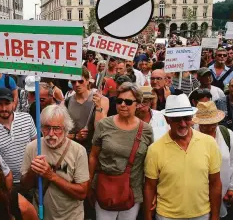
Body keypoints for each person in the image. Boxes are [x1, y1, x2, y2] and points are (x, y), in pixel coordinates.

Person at [144, 94, 222, 220]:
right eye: (176, 119)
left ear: (192, 117)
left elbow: (215, 183)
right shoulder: (155, 149)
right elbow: (149, 186)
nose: (183, 123)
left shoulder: (209, 143)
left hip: (202, 214)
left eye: (186, 118)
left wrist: (215, 216)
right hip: (167, 216)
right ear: (167, 119)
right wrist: (147, 217)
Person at [89, 82, 153, 220]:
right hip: (105, 189)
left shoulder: (146, 130)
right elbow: (93, 156)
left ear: (138, 104)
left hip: (132, 193)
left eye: (128, 102)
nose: (123, 105)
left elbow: (149, 163)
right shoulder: (104, 125)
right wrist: (88, 184)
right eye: (119, 101)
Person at [20, 105, 89, 220]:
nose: (51, 133)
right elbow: (25, 187)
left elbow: (82, 193)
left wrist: (50, 175)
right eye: (47, 127)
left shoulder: (78, 151)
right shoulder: (33, 147)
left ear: (66, 129)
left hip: (71, 216)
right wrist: (32, 171)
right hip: (40, 215)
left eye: (56, 128)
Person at [0, 88, 36, 186]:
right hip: (7, 183)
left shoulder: (27, 119)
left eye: (7, 103)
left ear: (13, 102)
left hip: (31, 178)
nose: (4, 108)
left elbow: (36, 145)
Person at [193, 101, 233, 218]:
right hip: (198, 197)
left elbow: (232, 162)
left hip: (223, 195)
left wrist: (231, 188)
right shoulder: (191, 136)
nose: (210, 127)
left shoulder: (228, 135)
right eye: (205, 124)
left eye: (213, 123)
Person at [66, 68, 109, 154]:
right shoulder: (66, 102)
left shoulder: (101, 100)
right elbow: (61, 133)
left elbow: (101, 129)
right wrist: (75, 136)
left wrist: (98, 107)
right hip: (72, 150)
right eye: (74, 82)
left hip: (93, 151)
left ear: (87, 80)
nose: (77, 84)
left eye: (80, 81)